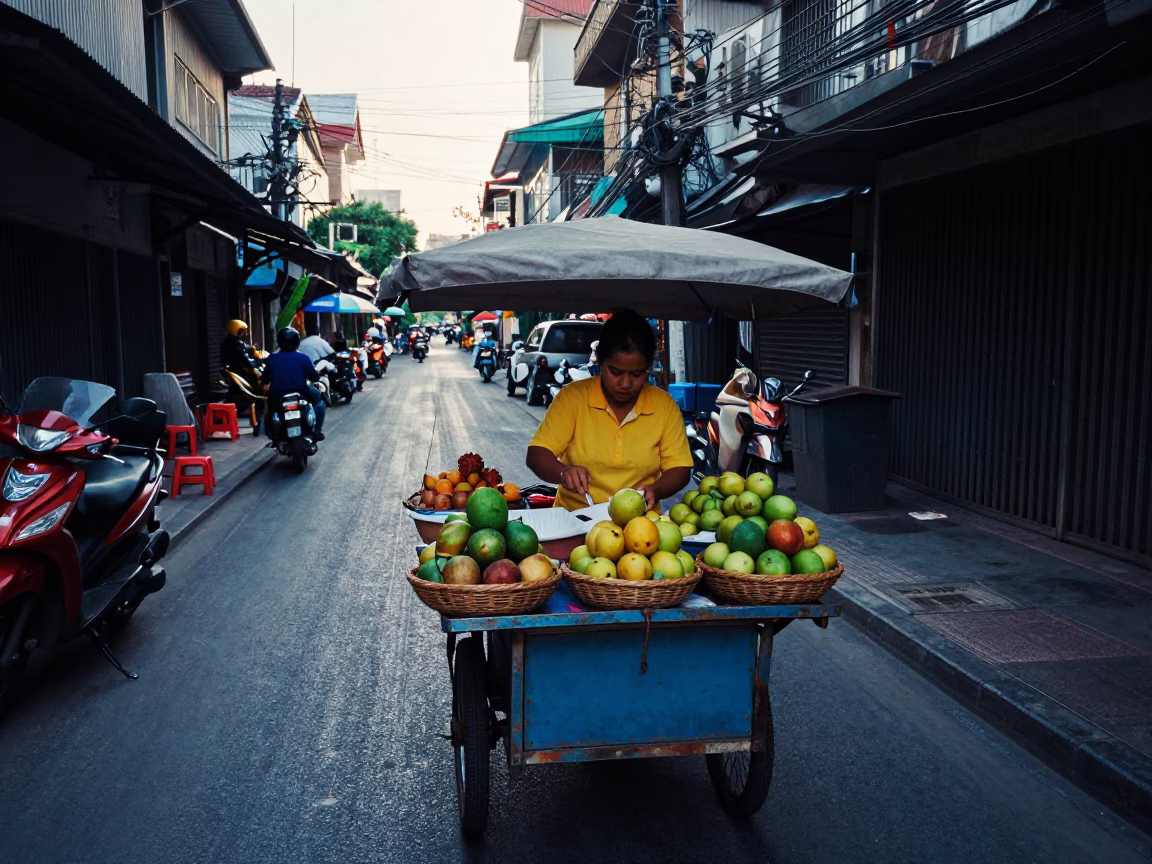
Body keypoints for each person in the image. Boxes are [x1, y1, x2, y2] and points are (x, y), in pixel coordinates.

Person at [526, 309, 691, 511]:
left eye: (637, 374)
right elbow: (537, 455)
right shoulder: (573, 398)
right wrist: (564, 472)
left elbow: (680, 469)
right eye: (616, 372)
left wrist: (655, 489)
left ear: (648, 367)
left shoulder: (663, 406)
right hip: (576, 519)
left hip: (640, 529)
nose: (625, 383)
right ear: (600, 361)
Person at [261, 327, 326, 440]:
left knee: (269, 409)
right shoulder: (303, 358)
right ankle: (317, 430)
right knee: (319, 400)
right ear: (297, 341)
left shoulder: (272, 358)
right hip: (302, 392)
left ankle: (272, 434)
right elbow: (314, 377)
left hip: (277, 394)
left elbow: (265, 379)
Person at [221, 319, 262, 432]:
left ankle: (230, 415)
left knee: (235, 392)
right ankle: (254, 421)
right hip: (239, 371)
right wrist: (256, 362)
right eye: (242, 331)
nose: (244, 334)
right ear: (236, 331)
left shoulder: (226, 342)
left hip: (233, 371)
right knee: (251, 393)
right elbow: (245, 358)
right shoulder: (236, 343)